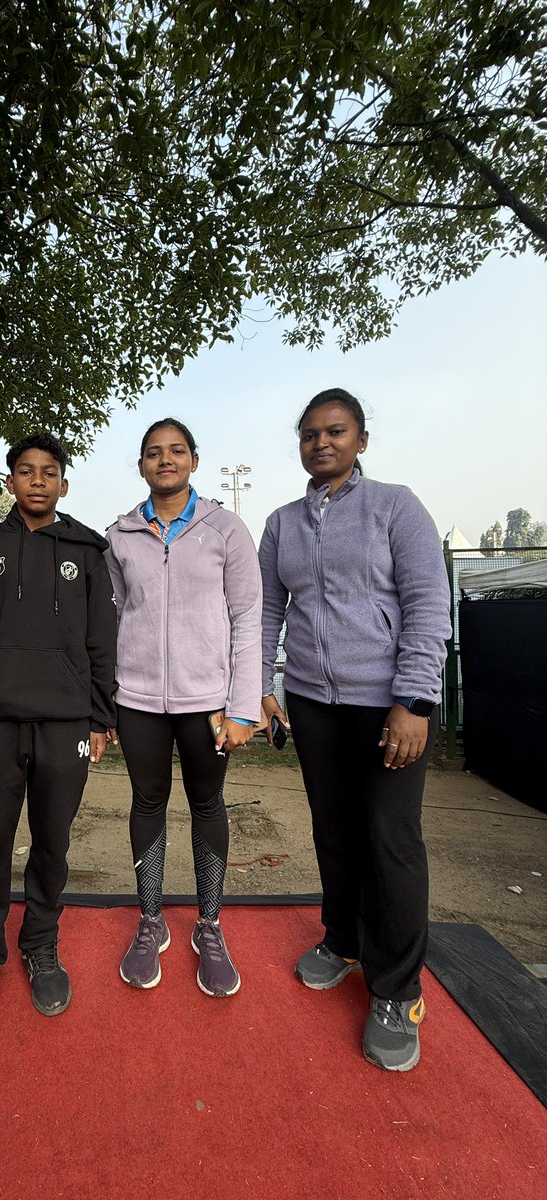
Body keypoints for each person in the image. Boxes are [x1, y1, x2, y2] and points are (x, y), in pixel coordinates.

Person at [258, 387, 451, 1072]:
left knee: (391, 841)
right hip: (311, 703)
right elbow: (267, 614)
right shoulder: (281, 523)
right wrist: (263, 687)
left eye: (335, 432)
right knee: (333, 830)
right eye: (309, 434)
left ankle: (397, 989)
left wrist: (415, 703)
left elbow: (429, 605)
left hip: (386, 707)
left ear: (361, 440)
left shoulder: (397, 507)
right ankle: (341, 941)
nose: (321, 443)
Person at [0, 432, 117, 1032]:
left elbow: (102, 642)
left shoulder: (87, 551)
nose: (37, 480)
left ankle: (40, 944)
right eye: (25, 470)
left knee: (52, 841)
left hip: (66, 722)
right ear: (11, 481)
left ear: (63, 484)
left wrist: (100, 719)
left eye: (49, 471)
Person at [104, 418, 262, 997]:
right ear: (141, 465)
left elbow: (248, 620)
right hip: (139, 700)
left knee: (206, 803)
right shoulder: (119, 536)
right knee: (146, 802)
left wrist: (243, 706)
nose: (164, 460)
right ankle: (151, 921)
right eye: (153, 453)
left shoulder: (226, 530)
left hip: (208, 705)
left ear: (194, 459)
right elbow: (116, 616)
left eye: (175, 451)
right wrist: (110, 700)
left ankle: (209, 925)